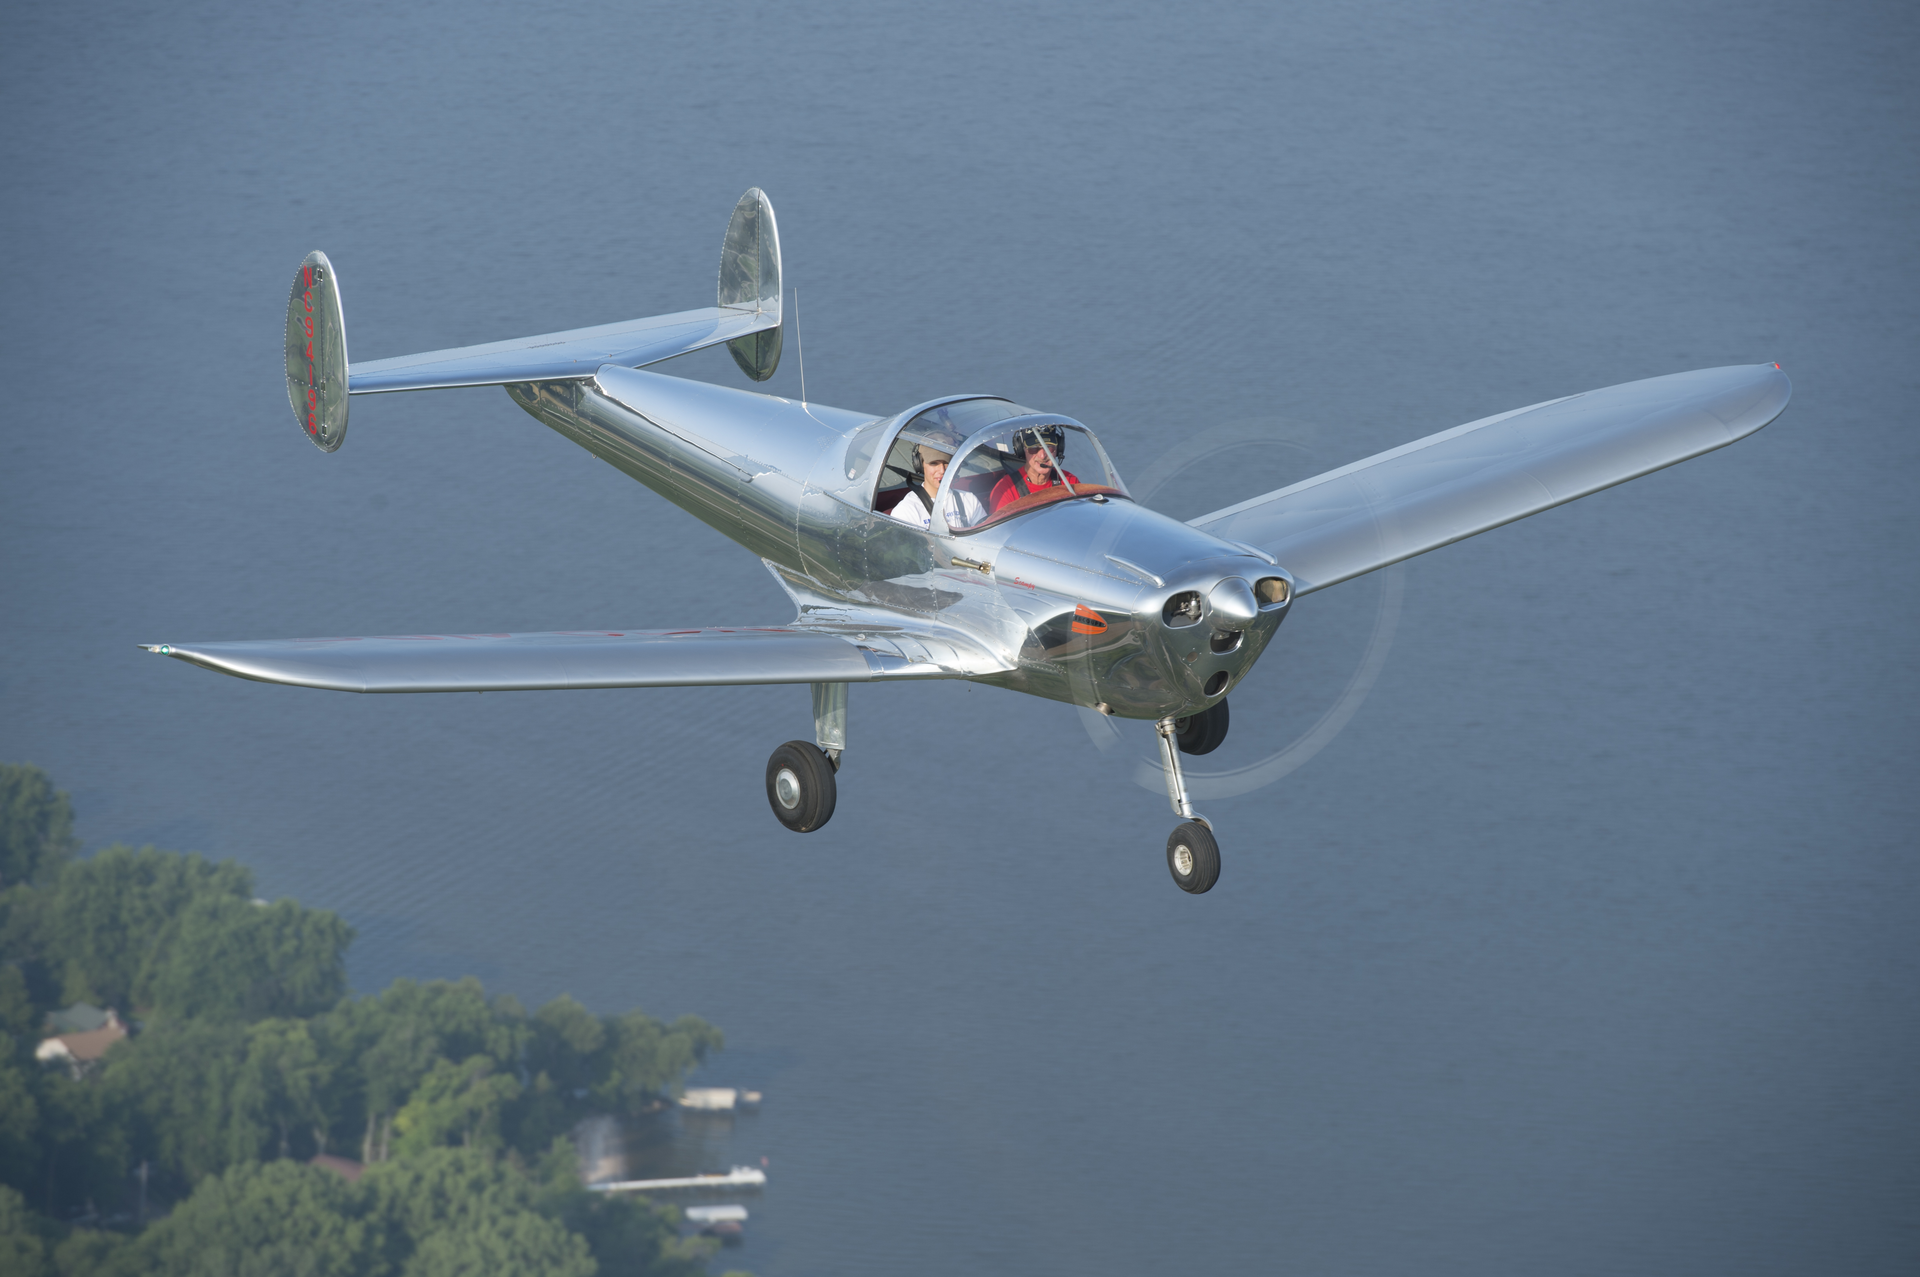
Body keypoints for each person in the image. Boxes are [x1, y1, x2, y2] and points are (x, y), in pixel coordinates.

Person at [890, 440, 986, 531]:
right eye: (934, 463)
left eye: (947, 463)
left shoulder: (969, 500)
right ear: (920, 465)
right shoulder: (906, 511)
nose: (942, 471)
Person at [989, 425, 1080, 512]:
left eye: (1049, 447)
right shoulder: (1005, 491)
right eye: (1034, 448)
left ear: (1059, 448)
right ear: (1022, 449)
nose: (1042, 455)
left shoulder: (1070, 483)